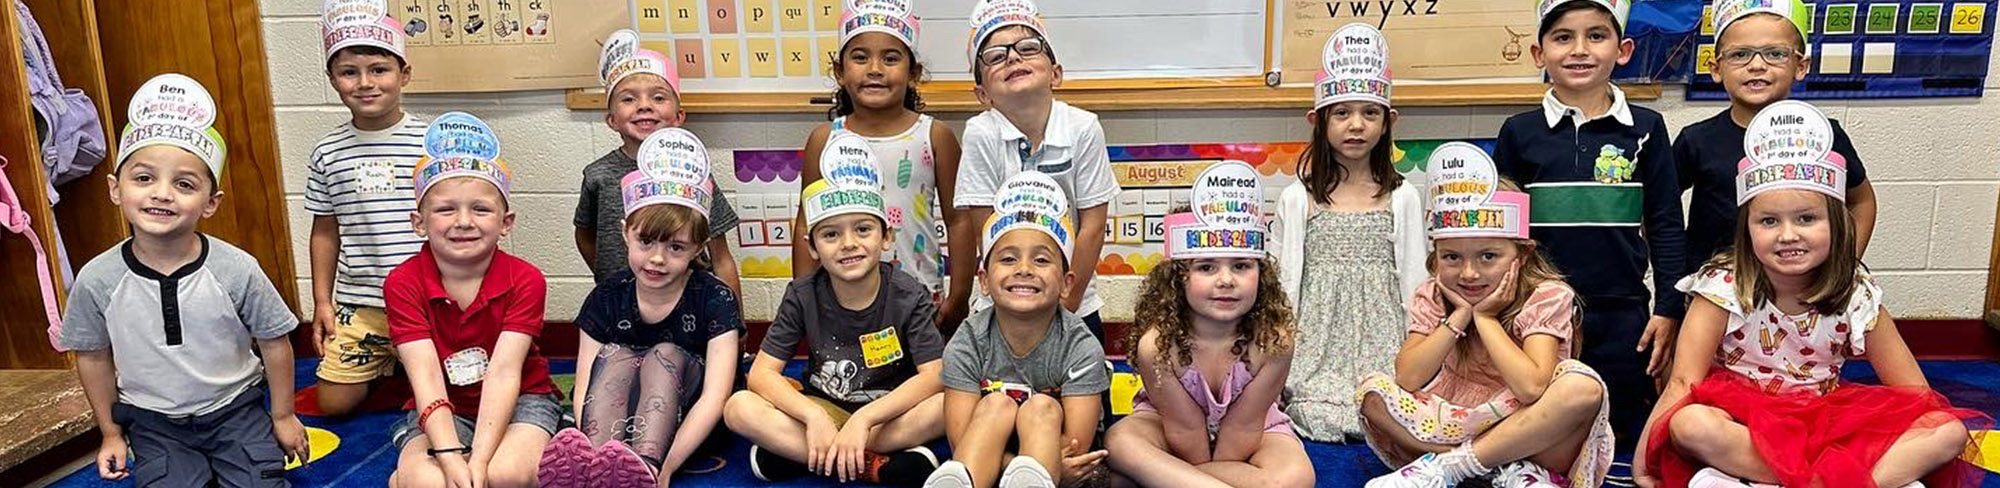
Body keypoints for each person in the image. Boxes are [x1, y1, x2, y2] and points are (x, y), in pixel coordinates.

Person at [1633, 101, 1985, 488]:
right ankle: (1827, 481)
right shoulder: (1721, 287)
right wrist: (1643, 463)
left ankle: (1812, 481)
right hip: (1744, 425)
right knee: (1691, 423)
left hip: (1826, 423)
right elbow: (1682, 382)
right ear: (1746, 229)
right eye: (1768, 221)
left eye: (1806, 218)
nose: (1788, 235)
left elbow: (1915, 394)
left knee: (1948, 431)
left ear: (1836, 225)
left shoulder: (1857, 296)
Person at [64, 73, 308, 487]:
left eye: (184, 184)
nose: (161, 194)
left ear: (210, 203)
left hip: (236, 412)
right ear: (115, 189)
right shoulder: (97, 279)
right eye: (143, 179)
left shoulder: (237, 268)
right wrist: (110, 432)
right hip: (153, 423)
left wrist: (282, 415)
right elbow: (92, 356)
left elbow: (274, 341)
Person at [1492, 0, 1688, 450]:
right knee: (1538, 412)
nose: (1580, 49)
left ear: (1623, 50)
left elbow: (1664, 223)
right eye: (1563, 37)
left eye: (1596, 36)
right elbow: (1503, 229)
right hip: (1537, 310)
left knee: (1618, 417)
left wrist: (1668, 307)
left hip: (1621, 308)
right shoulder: (1519, 132)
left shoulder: (1646, 128)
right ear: (1538, 54)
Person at [1360, 143, 1615, 488]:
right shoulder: (1434, 293)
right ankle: (1476, 467)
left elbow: (1531, 388)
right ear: (1436, 257)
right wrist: (1460, 315)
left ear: (1521, 255)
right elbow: (1408, 377)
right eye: (1452, 258)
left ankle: (1454, 467)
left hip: (1528, 425)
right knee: (1372, 393)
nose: (1469, 273)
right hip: (1457, 418)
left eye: (1488, 256)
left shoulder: (1547, 294)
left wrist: (1486, 319)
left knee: (1583, 388)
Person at [725, 135, 947, 486]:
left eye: (863, 229)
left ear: (886, 236)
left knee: (947, 404)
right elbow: (761, 374)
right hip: (823, 408)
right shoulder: (802, 294)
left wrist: (865, 419)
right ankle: (872, 466)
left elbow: (934, 375)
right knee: (739, 407)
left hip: (886, 417)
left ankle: (807, 454)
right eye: (830, 234)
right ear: (811, 246)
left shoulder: (909, 294)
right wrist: (812, 417)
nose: (849, 244)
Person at [540, 128, 745, 487]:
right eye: (646, 241)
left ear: (699, 248)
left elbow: (715, 396)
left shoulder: (715, 298)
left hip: (689, 425)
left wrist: (665, 468)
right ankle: (596, 460)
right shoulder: (607, 296)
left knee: (663, 353)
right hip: (615, 420)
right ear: (625, 233)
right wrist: (593, 441)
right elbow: (587, 379)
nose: (657, 259)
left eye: (676, 248)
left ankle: (643, 467)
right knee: (617, 354)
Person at [1106, 162, 1316, 488]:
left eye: (1241, 265)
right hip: (1168, 429)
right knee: (1120, 440)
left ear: (1262, 275)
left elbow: (1245, 429)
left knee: (1297, 476)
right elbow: (1183, 431)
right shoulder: (1158, 346)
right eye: (1206, 267)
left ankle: (1163, 480)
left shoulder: (1275, 343)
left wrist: (1167, 476)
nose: (1226, 280)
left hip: (1252, 434)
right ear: (1179, 278)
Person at [1272, 23, 1429, 441]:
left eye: (1369, 113)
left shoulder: (1403, 196)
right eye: (1342, 113)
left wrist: (1421, 347)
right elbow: (1285, 283)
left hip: (1385, 339)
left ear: (1388, 120)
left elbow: (1417, 280)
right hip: (1316, 341)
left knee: (1388, 406)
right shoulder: (1297, 197)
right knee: (1315, 411)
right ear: (1318, 120)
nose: (1355, 125)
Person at [385, 113, 560, 488]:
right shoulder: (402, 282)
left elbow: (504, 373)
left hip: (521, 400)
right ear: (419, 222)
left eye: (480, 209)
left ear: (506, 222)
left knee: (503, 475)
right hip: (441, 406)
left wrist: (478, 463)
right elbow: (426, 376)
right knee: (431, 482)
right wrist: (451, 460)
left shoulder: (526, 279)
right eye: (446, 209)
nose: (463, 221)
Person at [793, 0, 975, 328]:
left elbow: (959, 220)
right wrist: (805, 299)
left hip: (920, 301)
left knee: (924, 379)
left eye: (890, 58)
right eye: (860, 57)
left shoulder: (936, 136)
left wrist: (959, 296)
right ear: (840, 71)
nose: (875, 68)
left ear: (913, 72)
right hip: (841, 300)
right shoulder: (824, 139)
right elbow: (806, 223)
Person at [926, 172, 1110, 488]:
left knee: (1042, 407)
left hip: (1065, 477)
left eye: (1041, 260)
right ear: (983, 280)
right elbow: (960, 441)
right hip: (986, 462)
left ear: (1067, 284)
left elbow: (1075, 449)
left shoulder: (1080, 345)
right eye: (1008, 259)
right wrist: (1011, 465)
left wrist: (1032, 466)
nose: (1023, 269)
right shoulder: (968, 340)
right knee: (996, 404)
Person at [955, 0, 1119, 341]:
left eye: (1028, 48)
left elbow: (1093, 226)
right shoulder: (980, 133)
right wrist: (1016, 307)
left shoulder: (1083, 127)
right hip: (1001, 305)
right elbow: (986, 230)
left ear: (1056, 73)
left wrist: (1065, 305)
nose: (1014, 57)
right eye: (996, 56)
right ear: (982, 93)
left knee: (1084, 392)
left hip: (1074, 301)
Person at [1675, 0, 1877, 264]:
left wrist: (1846, 266)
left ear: (1801, 66)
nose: (1757, 65)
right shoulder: (1696, 141)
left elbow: (1861, 202)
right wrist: (1675, 276)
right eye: (1739, 54)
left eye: (1775, 53)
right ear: (1715, 68)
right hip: (1714, 291)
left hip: (1803, 289)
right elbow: (1656, 211)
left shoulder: (1825, 135)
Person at [307, 0, 426, 417]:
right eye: (349, 72)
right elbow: (325, 230)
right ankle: (390, 365)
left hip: (429, 299)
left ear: (403, 74)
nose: (365, 83)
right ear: (332, 80)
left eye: (379, 69)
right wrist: (323, 302)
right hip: (363, 304)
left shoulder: (430, 144)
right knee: (334, 405)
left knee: (456, 392)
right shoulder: (327, 151)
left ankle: (404, 367)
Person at [576, 29, 743, 298]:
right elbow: (584, 234)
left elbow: (721, 257)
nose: (644, 106)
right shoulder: (598, 175)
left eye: (658, 97)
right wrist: (608, 276)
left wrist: (737, 323)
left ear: (678, 116)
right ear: (611, 119)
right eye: (629, 99)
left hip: (690, 305)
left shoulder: (695, 172)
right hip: (621, 306)